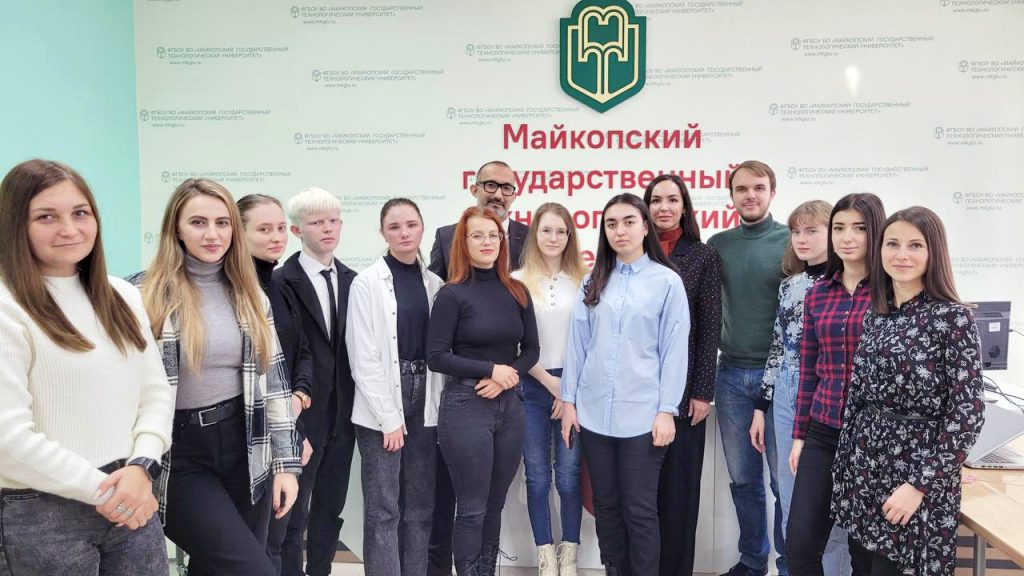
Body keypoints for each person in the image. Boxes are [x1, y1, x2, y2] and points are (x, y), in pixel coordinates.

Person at [0, 159, 175, 575]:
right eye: (46, 217)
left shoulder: (122, 295)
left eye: (80, 213)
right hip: (42, 511)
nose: (70, 229)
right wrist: (108, 491)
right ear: (14, 225)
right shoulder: (7, 306)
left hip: (131, 488)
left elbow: (155, 394)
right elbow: (8, 439)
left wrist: (142, 466)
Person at [133, 178, 301, 576]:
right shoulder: (142, 294)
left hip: (248, 446)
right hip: (181, 454)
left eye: (222, 223)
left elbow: (274, 383)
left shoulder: (249, 293)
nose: (212, 234)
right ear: (176, 228)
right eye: (198, 222)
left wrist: (286, 465)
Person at [832, 207, 985, 576]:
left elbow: (967, 415)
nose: (902, 255)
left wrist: (919, 485)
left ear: (934, 252)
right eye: (893, 244)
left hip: (915, 475)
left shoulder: (953, 318)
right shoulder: (876, 314)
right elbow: (858, 396)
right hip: (866, 468)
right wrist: (845, 466)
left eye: (915, 245)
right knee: (862, 566)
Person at [561, 193, 690, 576]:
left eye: (629, 222)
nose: (620, 230)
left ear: (646, 227)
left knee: (639, 508)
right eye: (612, 224)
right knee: (606, 505)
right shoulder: (593, 280)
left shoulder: (667, 282)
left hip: (643, 417)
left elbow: (674, 351)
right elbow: (577, 346)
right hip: (593, 413)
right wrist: (568, 402)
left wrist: (666, 410)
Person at [427, 159, 529, 576]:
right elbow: (436, 355)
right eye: (477, 236)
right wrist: (490, 369)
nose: (487, 242)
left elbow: (532, 348)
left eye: (493, 235)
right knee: (470, 508)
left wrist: (507, 376)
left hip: (510, 407)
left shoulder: (517, 289)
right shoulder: (451, 293)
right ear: (463, 242)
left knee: (494, 505)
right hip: (465, 404)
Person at [748, 200, 852, 576]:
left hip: (827, 394)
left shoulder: (846, 286)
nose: (801, 239)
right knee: (791, 497)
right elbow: (778, 347)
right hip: (786, 393)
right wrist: (761, 405)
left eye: (812, 230)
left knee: (831, 507)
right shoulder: (790, 285)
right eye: (796, 231)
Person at [786, 193, 886, 576]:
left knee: (865, 555)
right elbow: (809, 370)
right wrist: (800, 436)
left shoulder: (893, 293)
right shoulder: (818, 294)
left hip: (873, 439)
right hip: (823, 432)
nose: (847, 237)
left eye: (859, 228)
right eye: (839, 228)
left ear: (875, 232)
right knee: (799, 547)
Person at [346, 198, 444, 575]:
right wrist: (389, 418)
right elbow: (364, 358)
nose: (404, 233)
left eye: (411, 225)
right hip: (382, 399)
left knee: (420, 506)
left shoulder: (435, 284)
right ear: (382, 232)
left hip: (426, 395)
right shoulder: (366, 283)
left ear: (422, 228)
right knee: (384, 508)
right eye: (394, 227)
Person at [706, 161, 790, 576]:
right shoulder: (718, 244)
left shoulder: (791, 241)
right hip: (730, 377)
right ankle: (753, 562)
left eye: (758, 187)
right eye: (742, 189)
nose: (750, 195)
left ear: (772, 192)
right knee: (743, 480)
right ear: (731, 196)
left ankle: (790, 565)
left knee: (782, 481)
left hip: (781, 380)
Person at [274, 187, 358, 576]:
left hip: (344, 415)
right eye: (316, 222)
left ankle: (321, 571)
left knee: (330, 508)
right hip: (301, 413)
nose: (327, 228)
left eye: (333, 221)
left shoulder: (354, 280)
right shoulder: (280, 282)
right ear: (296, 230)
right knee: (292, 514)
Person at [644, 175, 722, 576]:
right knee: (642, 495)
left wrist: (703, 391)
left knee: (679, 491)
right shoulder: (633, 252)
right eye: (656, 200)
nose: (664, 207)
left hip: (687, 391)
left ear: (685, 207)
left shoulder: (703, 256)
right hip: (639, 392)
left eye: (672, 200)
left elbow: (709, 325)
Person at [237, 193, 316, 573]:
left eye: (281, 228)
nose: (276, 237)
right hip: (247, 438)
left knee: (277, 539)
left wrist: (299, 399)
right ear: (239, 233)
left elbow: (302, 352)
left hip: (288, 427)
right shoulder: (234, 289)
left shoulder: (281, 284)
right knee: (252, 547)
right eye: (264, 229)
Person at [511, 202, 587, 576]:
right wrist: (548, 382)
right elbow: (513, 342)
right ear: (535, 235)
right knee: (538, 476)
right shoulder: (516, 280)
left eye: (560, 231)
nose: (553, 238)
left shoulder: (585, 280)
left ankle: (568, 556)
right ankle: (545, 557)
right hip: (531, 384)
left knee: (569, 476)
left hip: (573, 388)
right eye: (546, 230)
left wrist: (567, 390)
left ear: (569, 236)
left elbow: (590, 342)